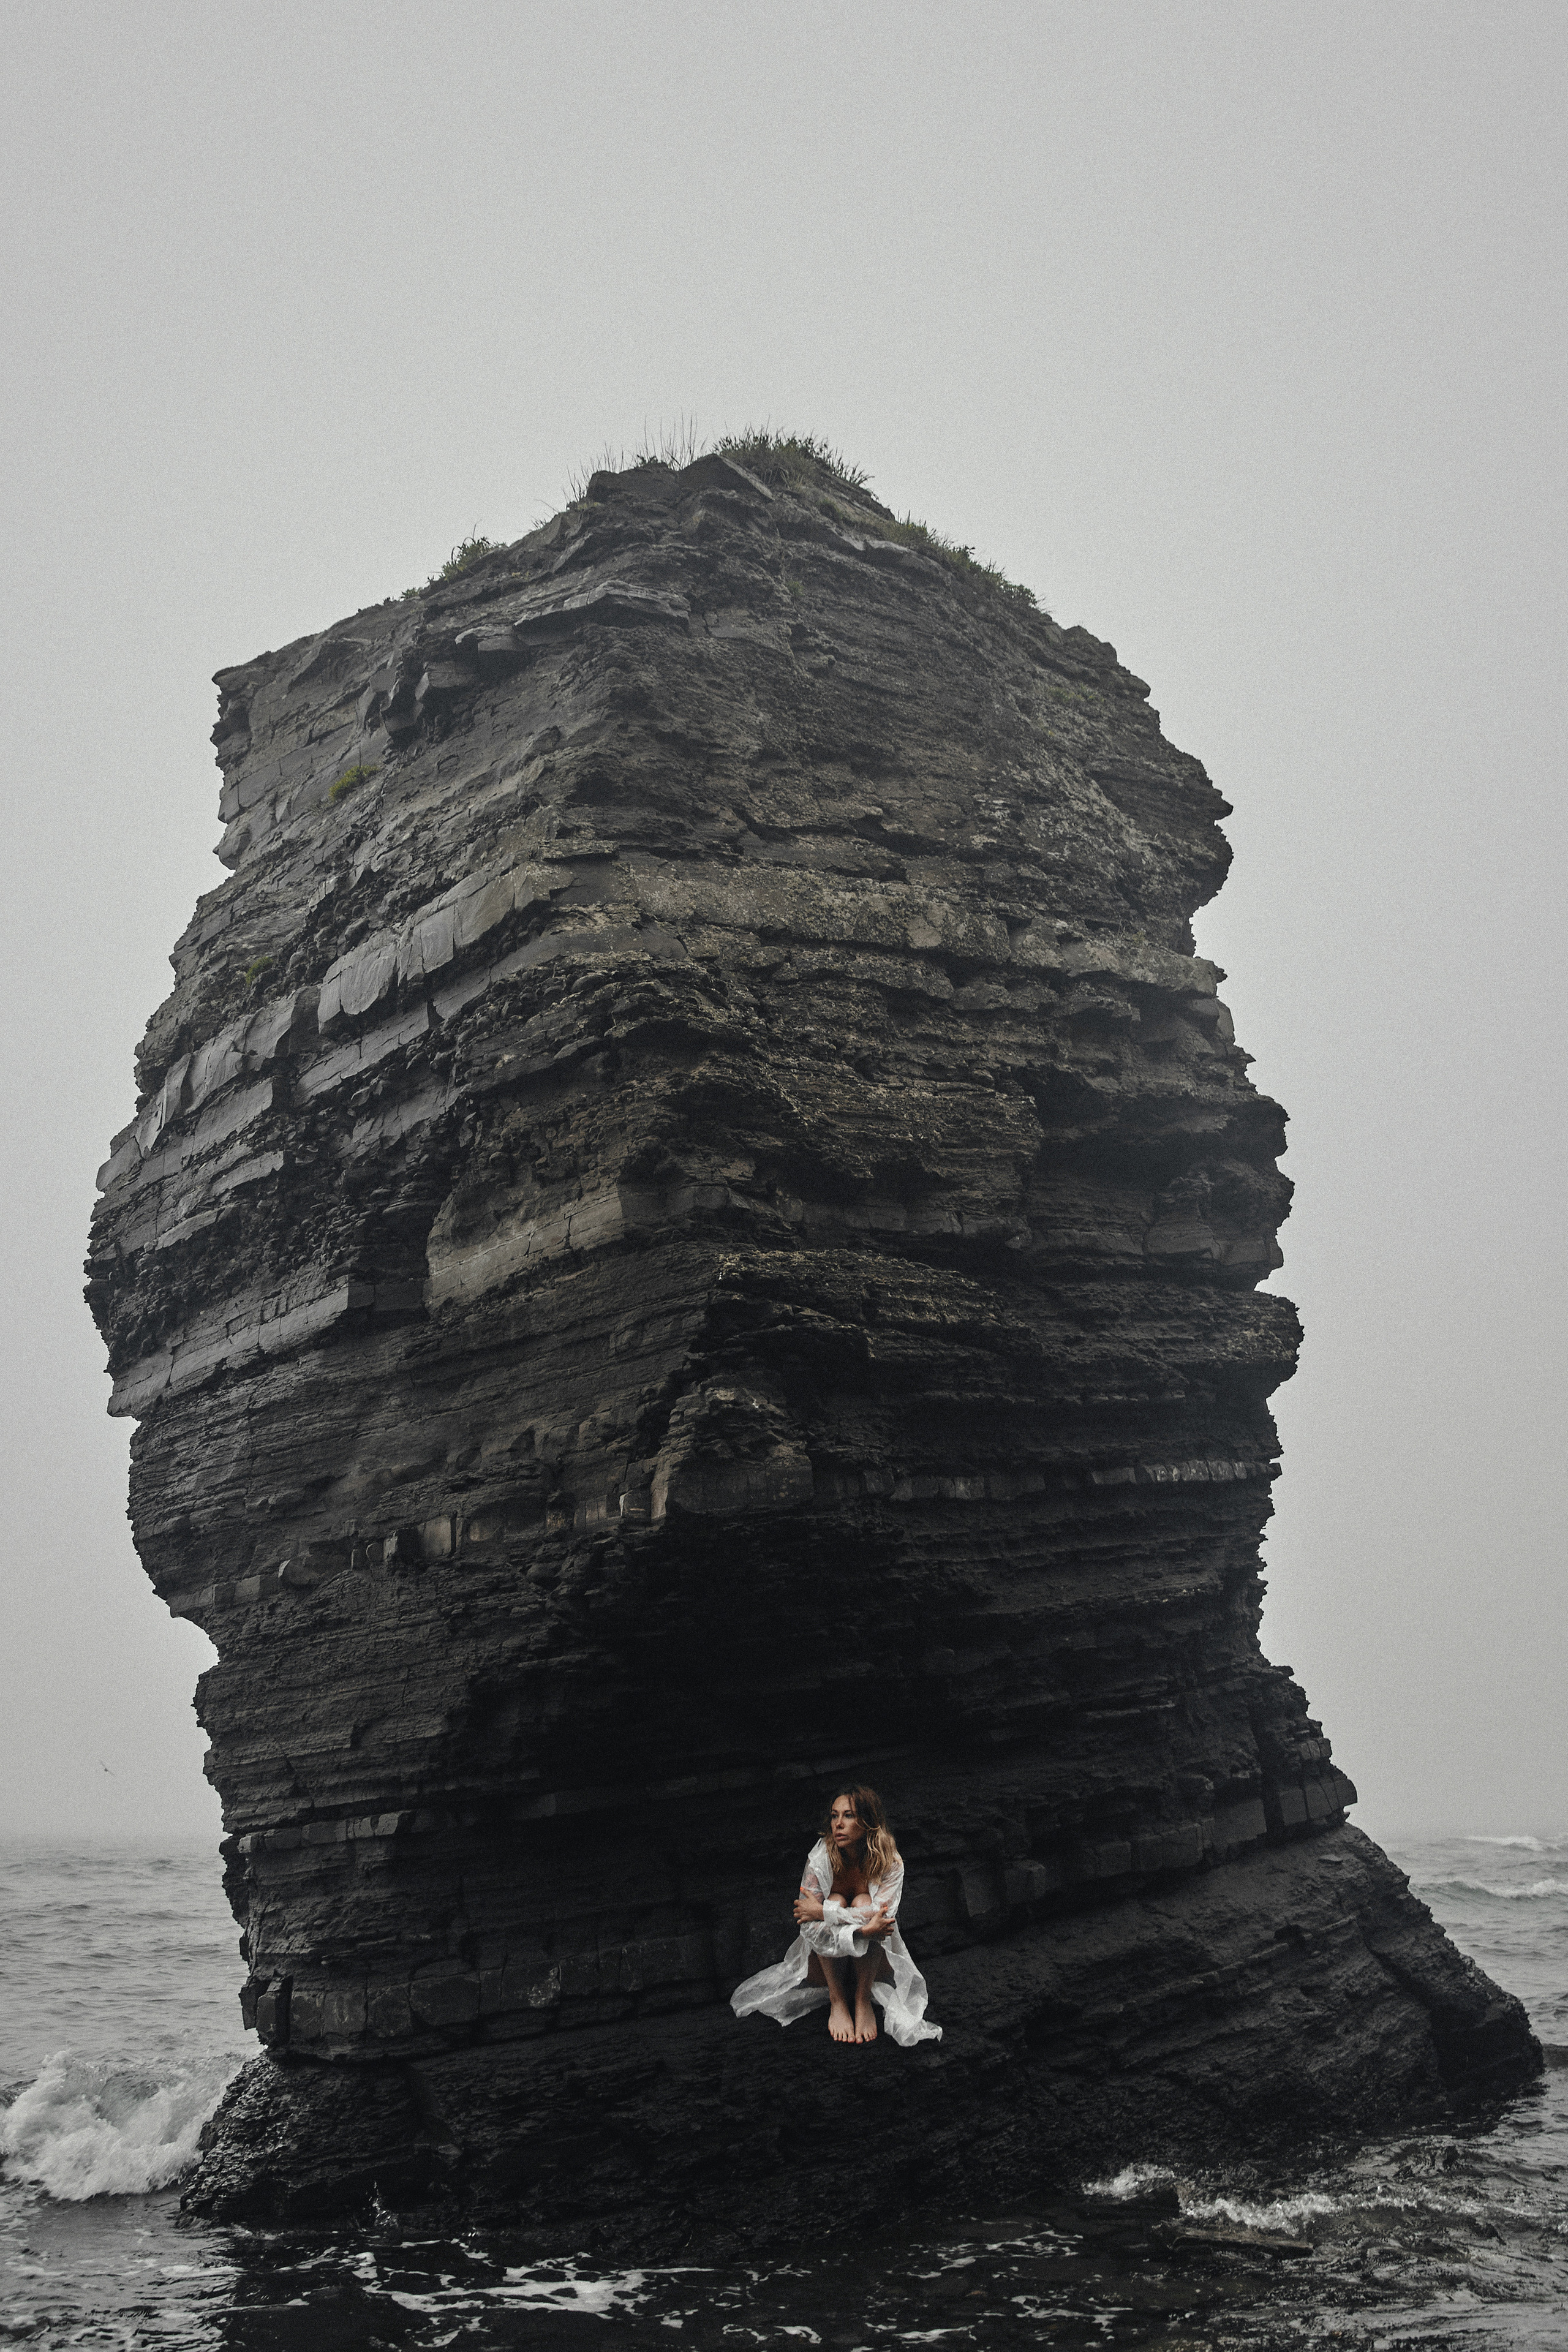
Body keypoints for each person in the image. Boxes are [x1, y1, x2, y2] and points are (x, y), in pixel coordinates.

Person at [729, 1785, 942, 2046]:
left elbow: (881, 1916)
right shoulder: (820, 1858)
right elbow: (807, 1927)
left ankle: (862, 1999)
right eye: (834, 1816)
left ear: (868, 1822)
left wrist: (824, 1911)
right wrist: (861, 1930)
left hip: (876, 1967)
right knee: (837, 1899)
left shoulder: (890, 1861)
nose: (838, 1824)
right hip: (826, 1967)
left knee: (864, 1902)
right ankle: (838, 1999)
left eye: (849, 1816)